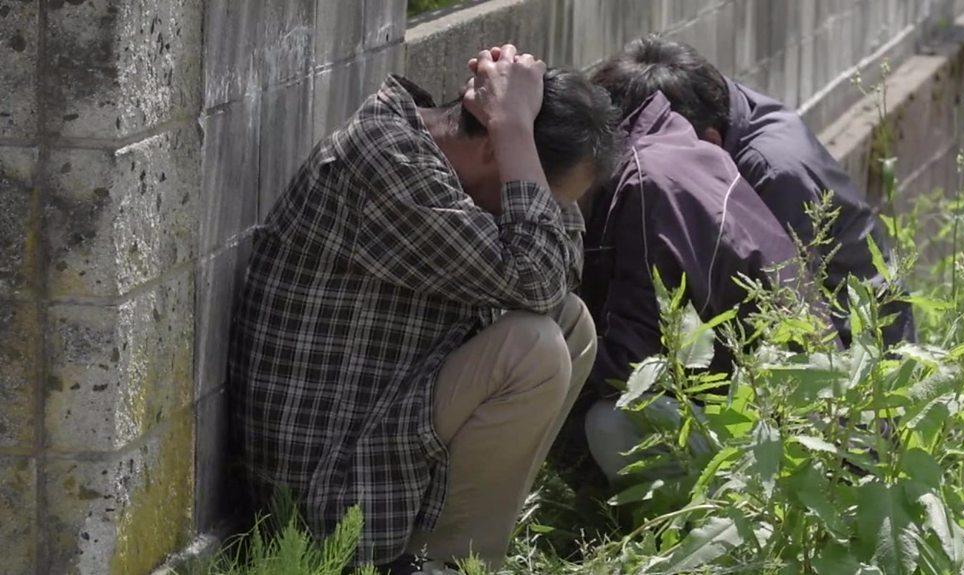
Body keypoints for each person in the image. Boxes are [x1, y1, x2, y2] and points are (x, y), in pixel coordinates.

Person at [227, 44, 620, 572]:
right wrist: (514, 132)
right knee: (533, 349)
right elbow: (537, 274)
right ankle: (448, 563)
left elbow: (556, 273)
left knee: (571, 325)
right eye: (537, 190)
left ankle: (459, 549)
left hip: (384, 429)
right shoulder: (386, 162)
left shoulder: (449, 162)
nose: (545, 213)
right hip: (328, 495)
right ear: (495, 149)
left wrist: (517, 139)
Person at [591, 36, 915, 348]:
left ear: (711, 140)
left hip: (855, 354)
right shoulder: (711, 106)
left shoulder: (773, 174)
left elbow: (790, 309)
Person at [571, 86, 804, 481]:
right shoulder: (672, 152)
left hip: (778, 443)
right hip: (773, 409)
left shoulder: (648, 186)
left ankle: (677, 531)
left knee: (610, 422)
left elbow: (635, 363)